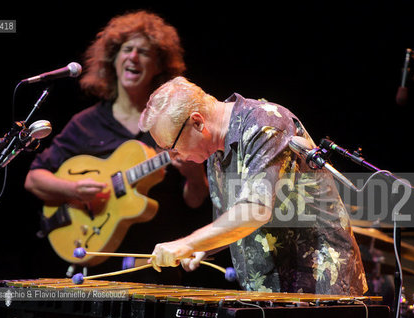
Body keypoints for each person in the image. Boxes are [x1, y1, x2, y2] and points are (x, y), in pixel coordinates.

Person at [24, 11, 209, 283]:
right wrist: (75, 190)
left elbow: (195, 201)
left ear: (159, 65)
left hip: (156, 268)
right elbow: (33, 179)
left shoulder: (174, 121)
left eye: (144, 52)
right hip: (97, 267)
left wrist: (195, 177)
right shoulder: (85, 123)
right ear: (114, 59)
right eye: (127, 50)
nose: (133, 57)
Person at [138, 76, 368, 295]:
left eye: (172, 146)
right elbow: (232, 222)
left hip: (320, 285)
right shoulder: (215, 152)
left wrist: (185, 243)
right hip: (269, 290)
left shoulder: (266, 124)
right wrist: (203, 247)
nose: (173, 155)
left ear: (197, 122)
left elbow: (255, 210)